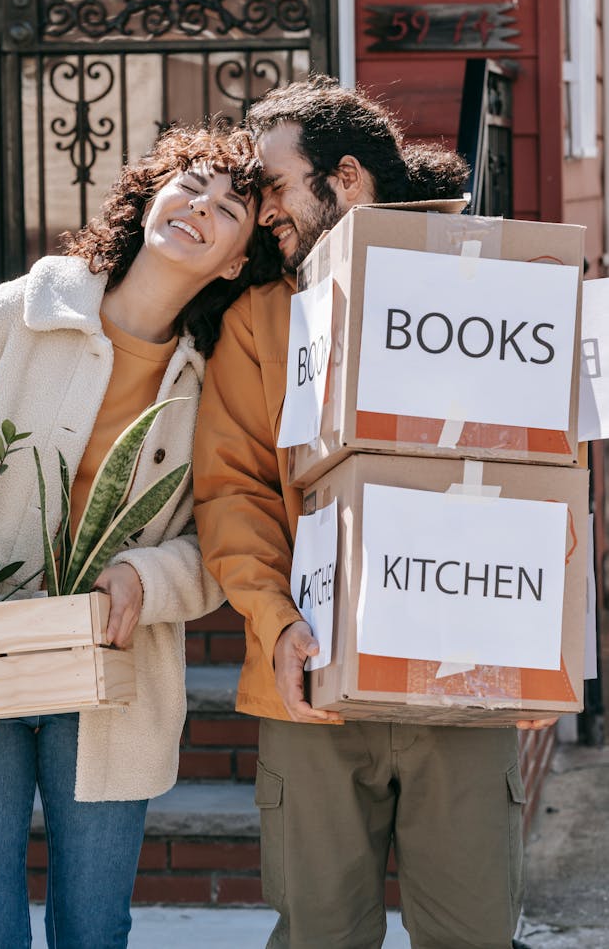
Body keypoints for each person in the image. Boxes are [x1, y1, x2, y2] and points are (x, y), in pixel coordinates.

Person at [0, 124, 279, 949]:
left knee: (94, 931)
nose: (201, 207)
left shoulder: (216, 379)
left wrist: (143, 577)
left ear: (235, 261)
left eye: (230, 209)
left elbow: (222, 533)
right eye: (190, 183)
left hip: (107, 675)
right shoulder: (13, 315)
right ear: (152, 191)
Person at [193, 76, 554, 949]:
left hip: (463, 682)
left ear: (345, 178)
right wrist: (275, 620)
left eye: (275, 186)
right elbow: (232, 491)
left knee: (472, 934)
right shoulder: (260, 323)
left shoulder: (486, 285)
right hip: (309, 686)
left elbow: (545, 467)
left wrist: (544, 640)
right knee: (320, 935)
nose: (263, 208)